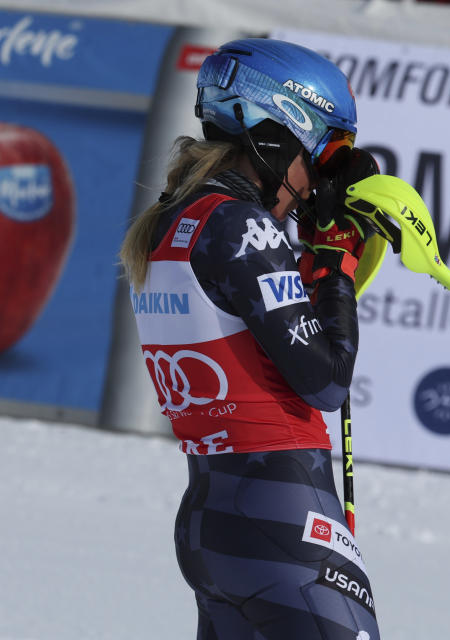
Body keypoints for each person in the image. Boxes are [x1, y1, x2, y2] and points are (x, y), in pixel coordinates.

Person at [119, 38, 382, 640]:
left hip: (217, 521)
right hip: (283, 519)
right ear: (278, 134)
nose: (319, 181)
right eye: (327, 151)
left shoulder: (170, 221)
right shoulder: (240, 227)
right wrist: (336, 264)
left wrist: (318, 256)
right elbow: (325, 379)